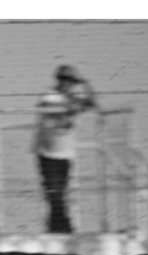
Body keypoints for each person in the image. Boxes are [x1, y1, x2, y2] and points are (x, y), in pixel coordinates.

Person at [34, 64, 98, 234]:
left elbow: (92, 103)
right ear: (61, 80)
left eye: (72, 82)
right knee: (55, 194)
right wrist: (72, 107)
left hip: (65, 154)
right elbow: (52, 111)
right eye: (68, 81)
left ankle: (57, 228)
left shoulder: (71, 97)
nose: (70, 85)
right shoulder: (51, 96)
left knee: (59, 193)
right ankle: (63, 229)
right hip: (48, 153)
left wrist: (86, 83)